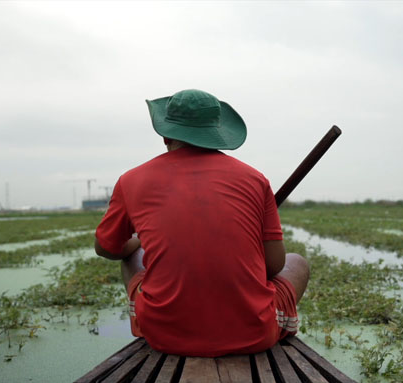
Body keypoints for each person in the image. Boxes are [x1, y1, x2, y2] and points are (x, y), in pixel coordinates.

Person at [94, 89, 309, 357]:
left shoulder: (131, 180)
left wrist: (139, 242)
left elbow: (107, 248)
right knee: (297, 262)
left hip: (163, 336)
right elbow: (274, 265)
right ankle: (279, 324)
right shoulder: (255, 179)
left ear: (165, 135)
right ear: (216, 133)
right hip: (254, 334)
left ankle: (143, 317)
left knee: (132, 256)